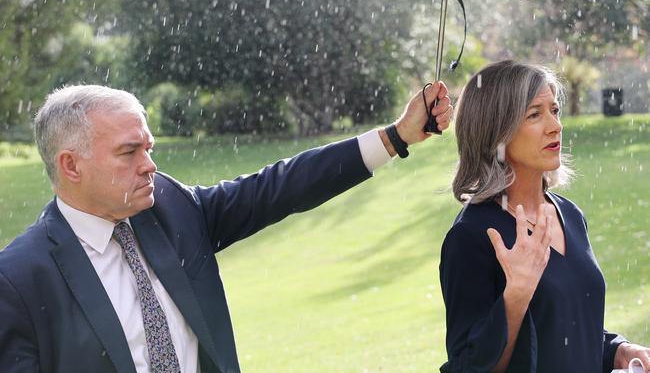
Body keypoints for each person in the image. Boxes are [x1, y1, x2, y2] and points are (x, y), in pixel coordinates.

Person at [0, 82, 451, 373]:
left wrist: (395, 137)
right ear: (71, 165)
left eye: (149, 148)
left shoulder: (172, 211)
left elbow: (277, 188)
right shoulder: (19, 279)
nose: (149, 165)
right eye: (128, 152)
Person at [439, 60, 650, 372]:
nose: (555, 125)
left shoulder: (570, 215)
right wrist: (516, 296)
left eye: (555, 110)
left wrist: (616, 349)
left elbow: (567, 330)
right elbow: (468, 366)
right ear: (496, 132)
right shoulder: (472, 236)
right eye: (534, 114)